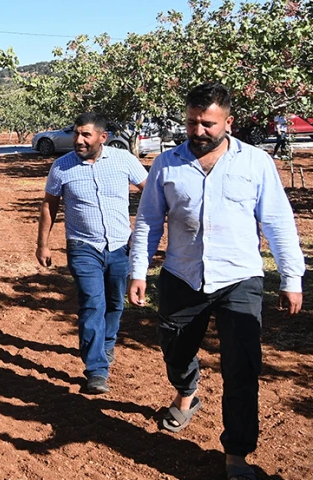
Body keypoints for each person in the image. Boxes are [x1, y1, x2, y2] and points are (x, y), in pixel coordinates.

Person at [128, 83, 304, 480]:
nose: (198, 130)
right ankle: (187, 391)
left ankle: (237, 456)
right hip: (182, 275)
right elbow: (150, 221)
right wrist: (138, 270)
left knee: (241, 368)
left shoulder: (256, 163)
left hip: (239, 278)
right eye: (192, 122)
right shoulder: (166, 164)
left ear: (228, 122)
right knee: (174, 351)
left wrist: (291, 276)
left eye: (207, 123)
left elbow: (277, 222)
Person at [36, 112, 148, 395]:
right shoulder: (62, 166)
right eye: (76, 134)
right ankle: (96, 369)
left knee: (114, 303)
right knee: (92, 304)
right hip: (83, 247)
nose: (79, 140)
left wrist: (145, 229)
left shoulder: (123, 161)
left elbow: (151, 192)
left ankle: (107, 343)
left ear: (102, 137)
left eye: (86, 135)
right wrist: (43, 244)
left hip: (121, 246)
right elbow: (49, 205)